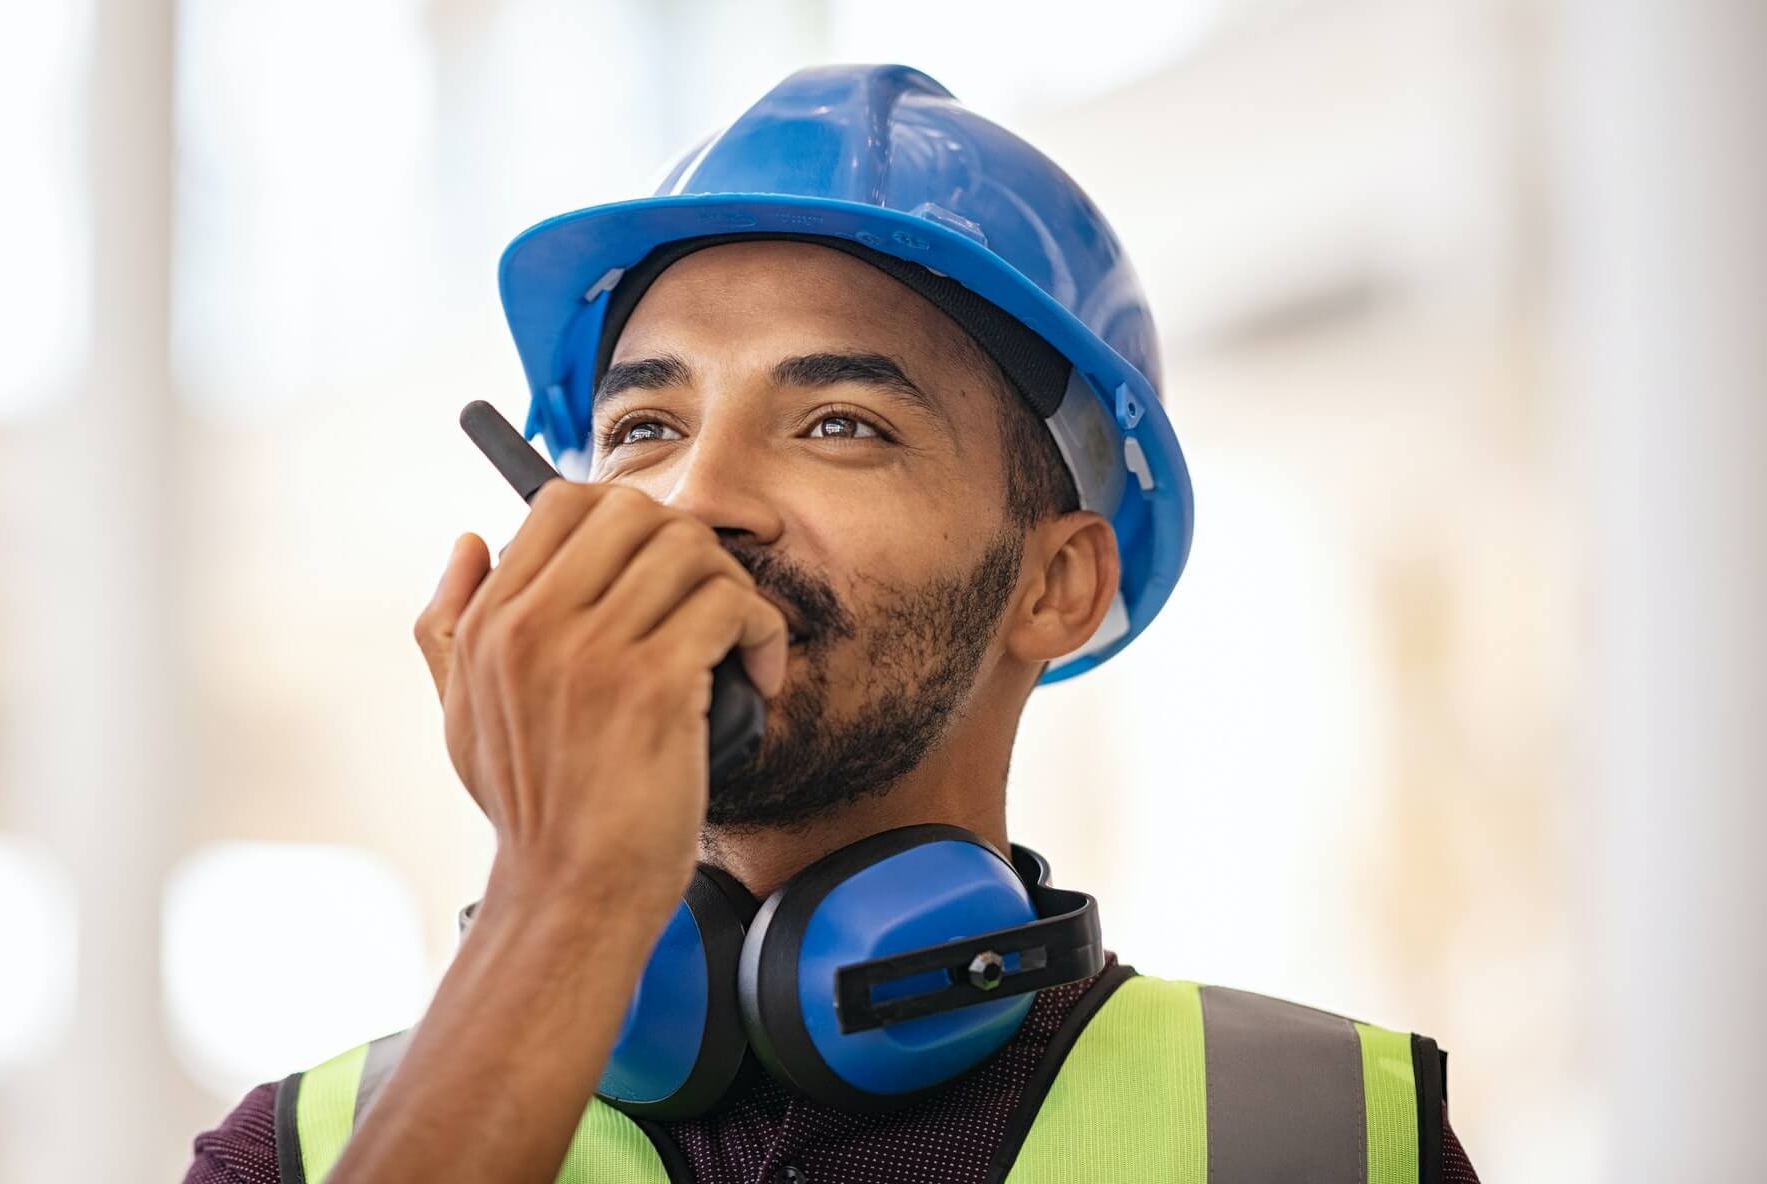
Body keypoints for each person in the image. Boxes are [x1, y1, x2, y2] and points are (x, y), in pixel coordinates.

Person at [185, 64, 1480, 1183]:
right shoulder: (298, 1151)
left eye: (840, 426)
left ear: (1059, 586)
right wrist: (561, 905)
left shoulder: (1325, 1143)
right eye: (645, 429)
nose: (700, 501)